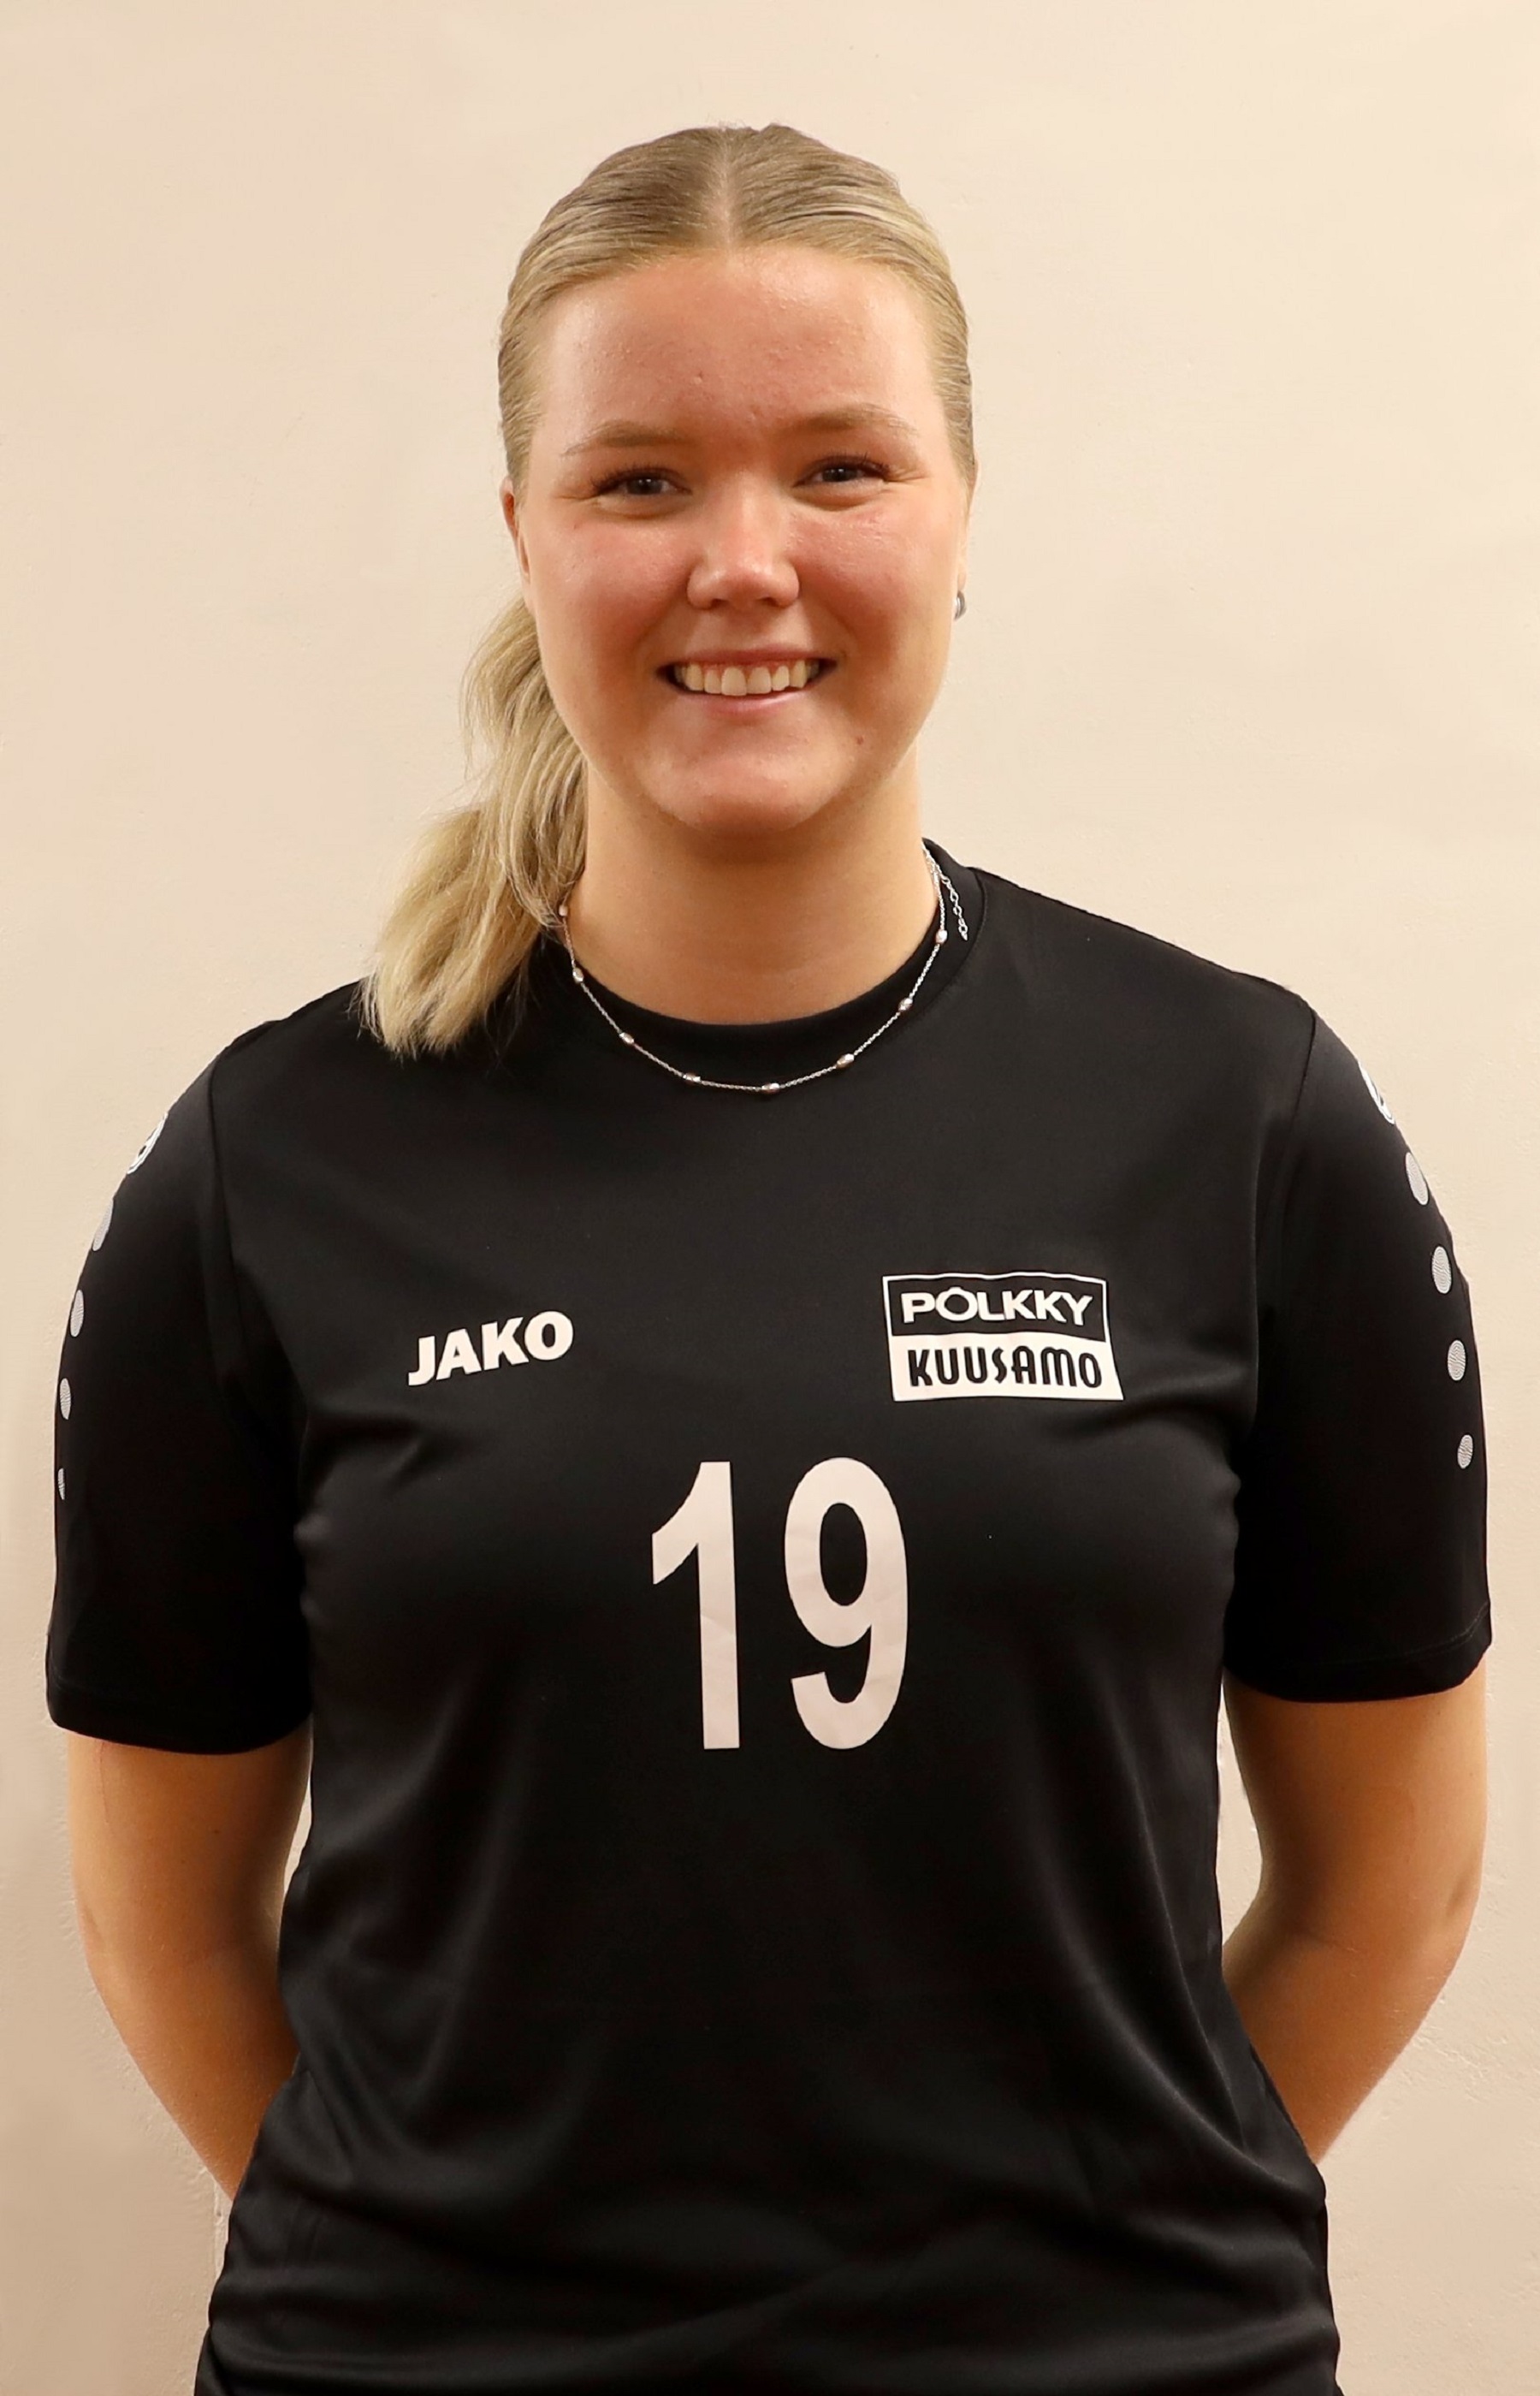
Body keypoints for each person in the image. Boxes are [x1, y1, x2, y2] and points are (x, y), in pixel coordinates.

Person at [46, 120, 1490, 2396]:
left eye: (840, 469)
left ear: (961, 511)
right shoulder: (268, 1168)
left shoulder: (1245, 1119)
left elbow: (1390, 1888)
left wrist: (1103, 2273)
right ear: (524, 535)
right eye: (638, 482)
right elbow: (166, 1930)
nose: (743, 562)